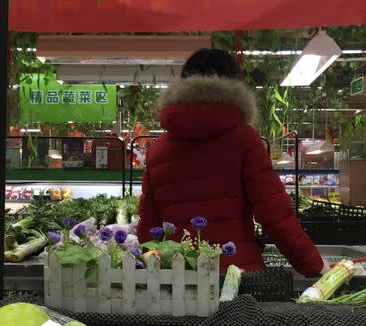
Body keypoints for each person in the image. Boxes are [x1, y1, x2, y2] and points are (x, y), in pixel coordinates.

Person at [137, 48, 324, 276]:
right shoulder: (244, 140)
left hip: (178, 278)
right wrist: (315, 267)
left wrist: (153, 273)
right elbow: (276, 216)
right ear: (234, 85)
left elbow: (149, 230)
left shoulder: (157, 151)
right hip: (238, 279)